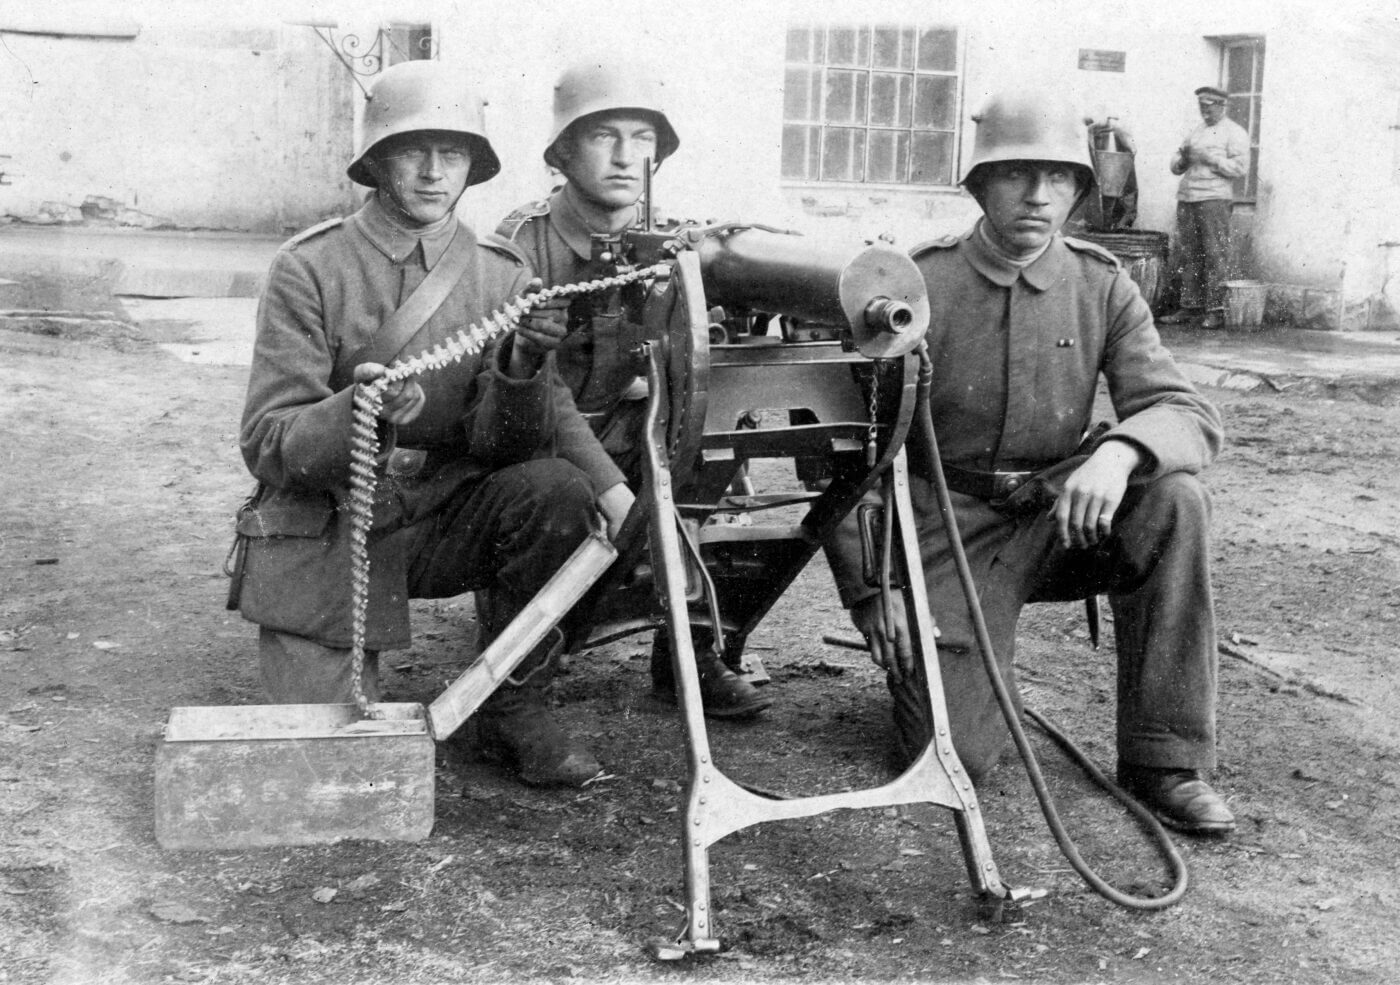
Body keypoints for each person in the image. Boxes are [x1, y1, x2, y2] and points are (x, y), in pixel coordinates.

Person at [826, 91, 1235, 836]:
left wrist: (1120, 451)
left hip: (1062, 517)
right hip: (948, 526)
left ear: (1080, 189)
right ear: (980, 186)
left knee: (1175, 500)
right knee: (959, 758)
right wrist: (868, 585)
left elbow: (1187, 412)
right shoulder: (918, 286)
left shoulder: (1103, 284)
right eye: (1016, 175)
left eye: (1059, 178)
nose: (1039, 196)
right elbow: (850, 447)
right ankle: (947, 665)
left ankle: (1164, 758)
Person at [235, 60, 634, 788]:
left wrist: (519, 367)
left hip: (441, 515)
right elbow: (268, 441)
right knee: (324, 769)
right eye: (412, 150)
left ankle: (511, 705)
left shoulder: (499, 275)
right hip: (333, 519)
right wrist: (357, 412)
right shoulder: (309, 268)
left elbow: (506, 449)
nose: (431, 172)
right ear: (377, 160)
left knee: (554, 492)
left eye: (452, 154)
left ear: (473, 166)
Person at [496, 62, 772, 720]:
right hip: (532, 441)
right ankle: (527, 674)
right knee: (559, 506)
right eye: (603, 136)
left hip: (623, 431)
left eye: (642, 138)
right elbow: (535, 394)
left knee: (718, 450)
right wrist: (615, 490)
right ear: (562, 150)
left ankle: (691, 650)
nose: (625, 157)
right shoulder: (519, 245)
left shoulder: (667, 241)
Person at [1160, 86, 1249, 329]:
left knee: (1215, 254)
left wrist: (1212, 159)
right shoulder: (1195, 132)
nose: (1205, 113)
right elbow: (1175, 166)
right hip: (1188, 198)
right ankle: (1190, 307)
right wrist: (1185, 159)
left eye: (1209, 108)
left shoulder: (1235, 133)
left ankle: (1215, 310)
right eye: (1202, 108)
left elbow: (1240, 169)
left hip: (1215, 200)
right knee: (1189, 254)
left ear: (1222, 106)